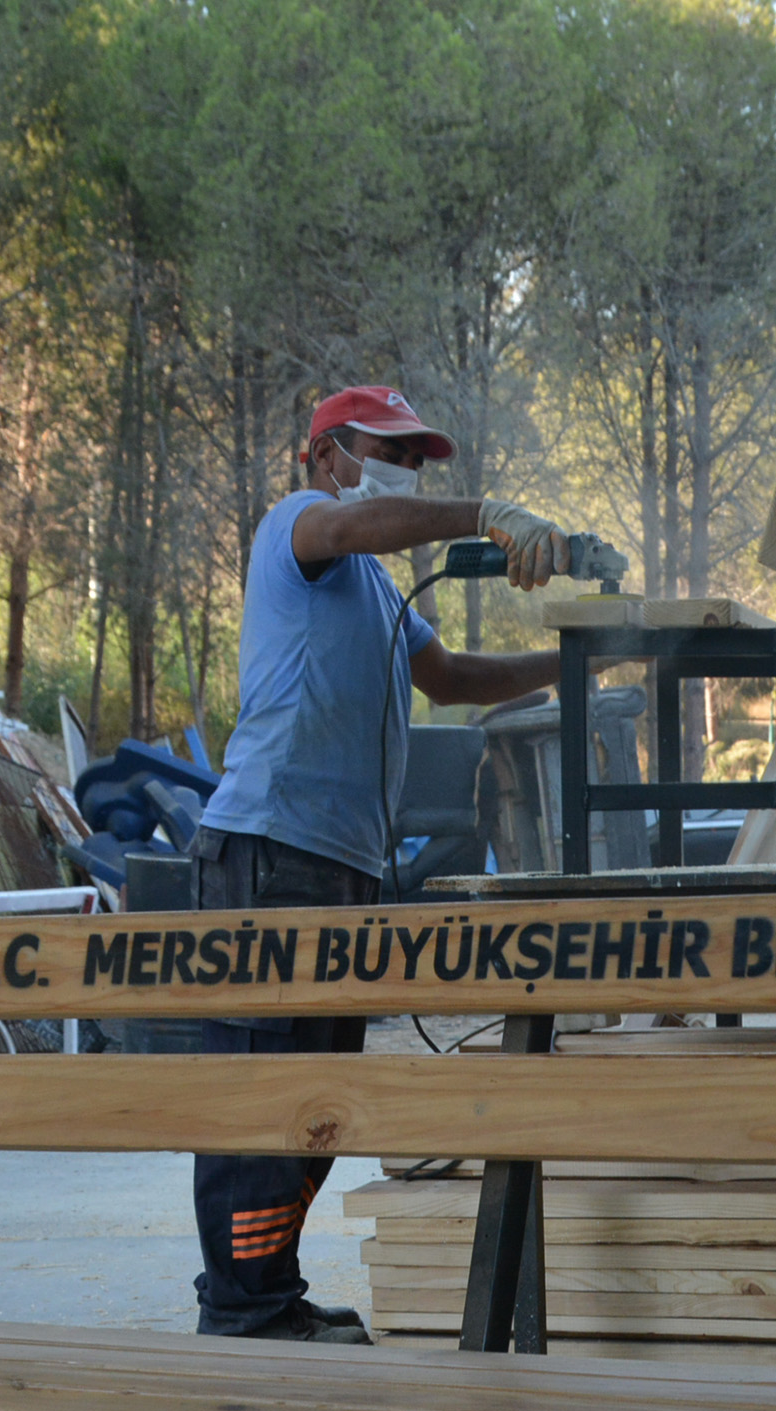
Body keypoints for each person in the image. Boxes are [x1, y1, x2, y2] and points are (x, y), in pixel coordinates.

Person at [187, 385, 578, 1344]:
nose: (409, 466)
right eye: (387, 447)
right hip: (270, 850)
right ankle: (241, 1313)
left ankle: (265, 1294)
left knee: (312, 1109)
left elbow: (451, 679)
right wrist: (481, 515)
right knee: (262, 1101)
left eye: (421, 456)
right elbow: (365, 522)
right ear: (326, 454)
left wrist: (572, 664)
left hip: (337, 864)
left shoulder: (377, 592)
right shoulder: (301, 530)